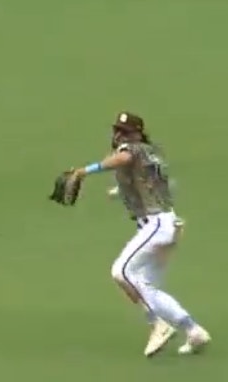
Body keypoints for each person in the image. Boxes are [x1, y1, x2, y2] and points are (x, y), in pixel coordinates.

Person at [70, 112, 211, 357]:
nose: (118, 135)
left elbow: (123, 158)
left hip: (156, 225)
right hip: (169, 225)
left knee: (121, 271)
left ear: (136, 133)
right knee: (147, 286)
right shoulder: (151, 152)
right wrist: (120, 190)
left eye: (124, 130)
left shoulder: (132, 149)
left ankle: (157, 324)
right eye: (117, 129)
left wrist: (85, 171)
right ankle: (193, 331)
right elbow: (151, 182)